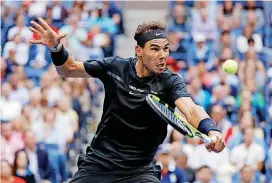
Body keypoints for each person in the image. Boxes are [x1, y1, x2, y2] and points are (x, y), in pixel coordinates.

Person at [29, 17, 226, 183]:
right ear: (139, 51)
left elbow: (191, 110)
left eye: (166, 49)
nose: (162, 56)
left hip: (140, 170)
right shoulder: (116, 68)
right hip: (100, 163)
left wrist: (212, 129)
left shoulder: (170, 81)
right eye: (155, 49)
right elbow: (69, 69)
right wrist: (56, 48)